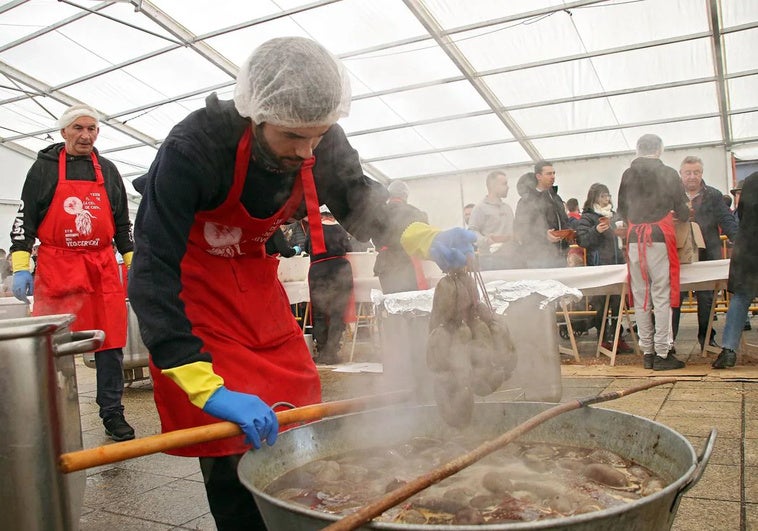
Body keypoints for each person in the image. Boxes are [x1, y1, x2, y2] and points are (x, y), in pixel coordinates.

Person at [127, 37, 476, 530]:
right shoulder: (195, 147)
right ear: (256, 112)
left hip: (256, 282)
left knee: (299, 405)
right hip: (194, 286)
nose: (308, 150)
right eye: (293, 137)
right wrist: (201, 381)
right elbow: (152, 267)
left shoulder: (320, 136)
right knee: (228, 436)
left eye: (318, 136)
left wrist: (423, 235)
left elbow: (358, 198)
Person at [10, 103, 135, 441]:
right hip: (58, 266)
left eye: (92, 128)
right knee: (51, 345)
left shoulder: (107, 170)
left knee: (110, 344)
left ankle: (112, 413)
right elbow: (24, 224)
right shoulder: (43, 169)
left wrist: (132, 262)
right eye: (78, 128)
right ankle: (47, 414)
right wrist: (21, 266)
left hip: (102, 268)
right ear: (64, 131)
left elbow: (123, 225)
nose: (86, 135)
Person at [617, 134, 690, 371]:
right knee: (661, 294)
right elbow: (682, 208)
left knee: (640, 294)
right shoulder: (668, 173)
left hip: (635, 237)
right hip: (659, 236)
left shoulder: (628, 174)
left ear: (638, 150)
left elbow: (621, 210)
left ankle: (647, 351)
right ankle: (662, 352)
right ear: (659, 150)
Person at [670, 156, 738, 350]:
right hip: (680, 253)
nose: (692, 177)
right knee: (675, 298)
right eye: (688, 173)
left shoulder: (714, 195)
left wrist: (739, 240)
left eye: (696, 172)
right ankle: (669, 341)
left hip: (709, 250)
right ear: (681, 174)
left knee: (707, 299)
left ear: (702, 173)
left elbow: (727, 220)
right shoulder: (672, 197)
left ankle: (706, 339)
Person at [574, 183, 632, 353]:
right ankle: (603, 338)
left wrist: (624, 232)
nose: (606, 199)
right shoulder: (587, 217)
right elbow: (582, 240)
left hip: (617, 263)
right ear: (594, 198)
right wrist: (596, 231)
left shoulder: (614, 216)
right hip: (599, 266)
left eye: (608, 196)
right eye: (602, 196)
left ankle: (617, 336)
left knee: (617, 303)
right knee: (601, 304)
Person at [713, 172, 758, 368]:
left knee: (741, 298)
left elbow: (741, 213)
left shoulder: (751, 180)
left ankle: (729, 350)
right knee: (741, 298)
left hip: (748, 245)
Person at [306, 207, 353, 363]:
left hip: (318, 272)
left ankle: (322, 351)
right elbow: (349, 248)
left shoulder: (313, 229)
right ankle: (332, 352)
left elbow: (307, 248)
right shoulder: (340, 229)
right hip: (340, 271)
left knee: (319, 313)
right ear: (332, 215)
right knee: (337, 312)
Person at [372, 180, 429, 293]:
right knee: (410, 301)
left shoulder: (377, 213)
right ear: (405, 195)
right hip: (406, 262)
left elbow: (371, 236)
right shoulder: (415, 212)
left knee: (390, 301)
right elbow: (425, 236)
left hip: (384, 263)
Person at [513, 161, 571, 268]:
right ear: (538, 176)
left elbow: (564, 222)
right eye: (549, 174)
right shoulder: (526, 201)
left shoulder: (556, 198)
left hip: (560, 255)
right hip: (538, 258)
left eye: (554, 173)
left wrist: (569, 232)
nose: (553, 177)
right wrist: (544, 236)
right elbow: (521, 230)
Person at [468, 170, 517, 270]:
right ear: (493, 186)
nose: (508, 187)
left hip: (510, 258)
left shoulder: (507, 208)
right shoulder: (480, 208)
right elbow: (472, 232)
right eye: (504, 184)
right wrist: (486, 240)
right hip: (489, 259)